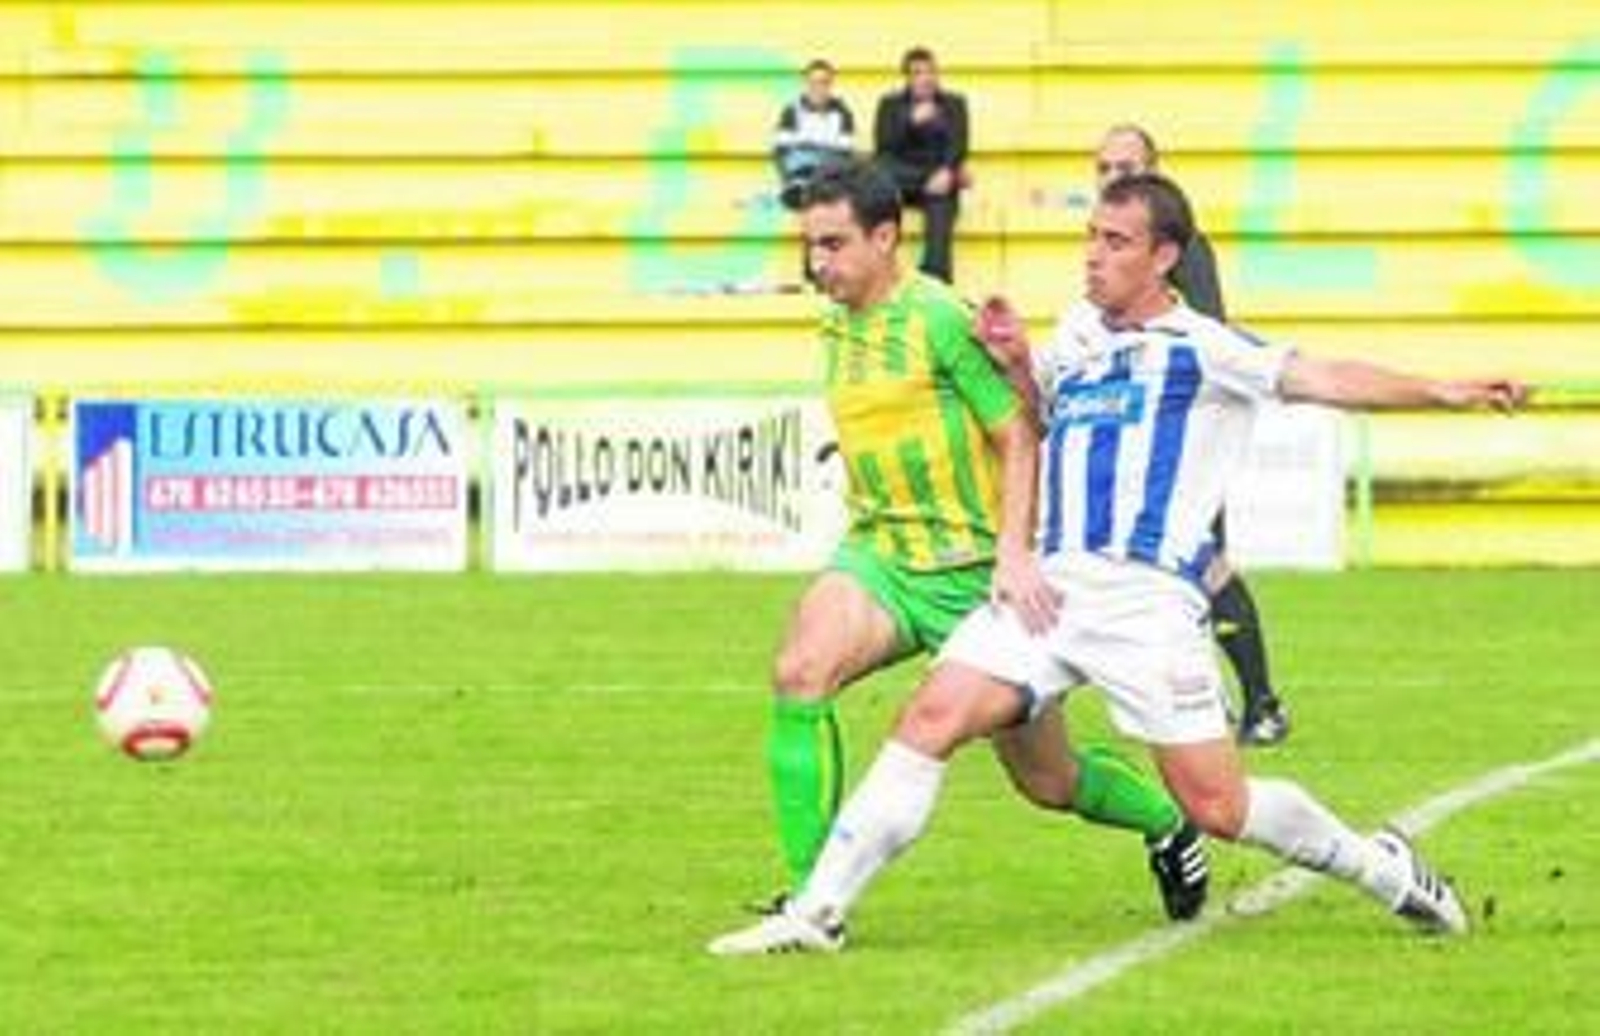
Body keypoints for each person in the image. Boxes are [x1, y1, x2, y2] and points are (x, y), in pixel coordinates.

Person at [711, 172, 1524, 954]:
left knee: (1217, 804)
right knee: (929, 720)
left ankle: (1377, 863)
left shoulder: (1203, 349)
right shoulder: (1078, 336)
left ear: (1163, 257)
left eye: (1114, 242)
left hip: (1147, 605)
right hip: (1051, 591)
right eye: (1090, 238)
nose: (1092, 255)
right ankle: (817, 912)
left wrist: (1444, 390)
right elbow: (1036, 419)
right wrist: (1015, 362)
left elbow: (1319, 375)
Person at [750, 158, 1207, 928]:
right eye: (811, 246)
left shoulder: (940, 319)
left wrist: (1013, 553)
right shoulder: (834, 318)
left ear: (886, 238)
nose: (817, 263)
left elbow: (1018, 431)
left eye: (833, 245)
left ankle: (1169, 821)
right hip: (884, 558)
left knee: (1050, 783)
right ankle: (810, 897)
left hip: (978, 580)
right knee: (800, 669)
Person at [1095, 123, 1290, 746]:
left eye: (1127, 165)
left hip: (1183, 437)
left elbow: (1205, 333)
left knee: (1205, 564)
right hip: (1134, 434)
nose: (1115, 176)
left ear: (1155, 170)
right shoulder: (1107, 251)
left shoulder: (1180, 249)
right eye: (1104, 167)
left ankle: (1262, 701)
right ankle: (1207, 705)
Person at [873, 46, 970, 283]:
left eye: (930, 72)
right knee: (880, 174)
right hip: (900, 181)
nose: (925, 78)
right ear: (907, 77)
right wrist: (910, 122)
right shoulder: (890, 104)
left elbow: (959, 143)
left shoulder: (954, 103)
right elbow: (884, 146)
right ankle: (877, 271)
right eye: (917, 73)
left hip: (937, 180)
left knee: (943, 200)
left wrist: (948, 170)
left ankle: (936, 275)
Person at [772, 58, 857, 211]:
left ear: (831, 85)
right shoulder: (791, 111)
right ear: (806, 84)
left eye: (824, 82)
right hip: (798, 174)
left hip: (829, 178)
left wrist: (814, 153)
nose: (818, 88)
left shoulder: (844, 113)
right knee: (798, 165)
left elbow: (845, 156)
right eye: (813, 83)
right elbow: (781, 153)